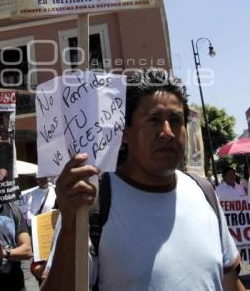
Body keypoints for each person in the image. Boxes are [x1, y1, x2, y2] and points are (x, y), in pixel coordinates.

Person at [41, 68, 242, 291]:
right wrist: (70, 225)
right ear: (125, 132)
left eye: (176, 121)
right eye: (154, 120)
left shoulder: (204, 192)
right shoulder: (90, 201)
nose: (167, 132)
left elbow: (230, 281)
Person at [27, 176, 56, 285]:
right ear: (36, 179)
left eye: (45, 177)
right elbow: (29, 215)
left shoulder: (56, 190)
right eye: (40, 178)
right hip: (41, 235)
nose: (43, 179)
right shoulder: (33, 194)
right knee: (42, 263)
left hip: (54, 231)